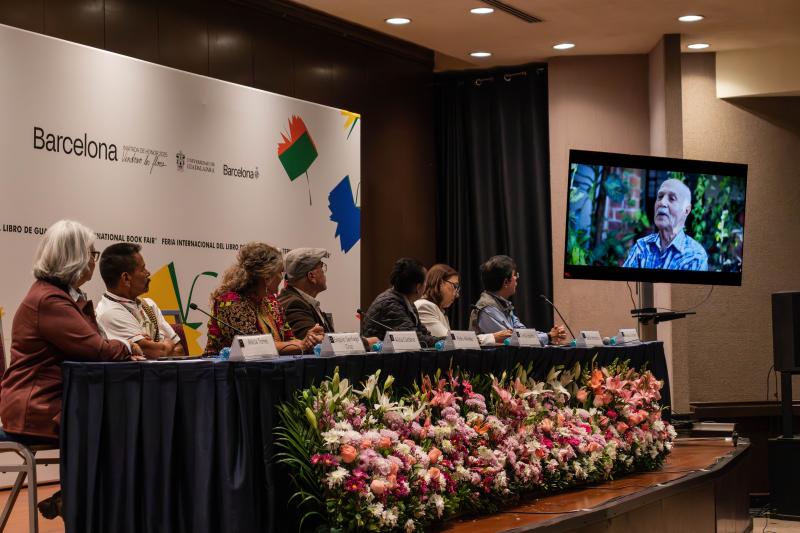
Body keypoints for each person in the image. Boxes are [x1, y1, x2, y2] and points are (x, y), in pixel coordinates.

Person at [0, 220, 141, 519]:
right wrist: (128, 347)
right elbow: (99, 350)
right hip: (36, 406)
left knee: (124, 425)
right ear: (75, 257)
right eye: (92, 253)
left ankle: (78, 500)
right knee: (121, 429)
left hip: (54, 401)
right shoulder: (49, 299)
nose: (94, 260)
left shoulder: (62, 296)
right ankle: (83, 504)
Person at [203, 242, 324, 355]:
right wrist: (301, 344)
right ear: (267, 276)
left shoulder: (271, 302)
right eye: (280, 272)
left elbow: (289, 339)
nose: (282, 278)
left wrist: (309, 339)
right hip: (226, 373)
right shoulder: (230, 302)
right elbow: (253, 346)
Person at [96, 243, 184, 358]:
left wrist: (160, 347)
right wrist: (166, 343)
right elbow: (157, 353)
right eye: (143, 269)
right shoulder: (109, 313)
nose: (148, 273)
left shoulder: (149, 304)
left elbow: (180, 350)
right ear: (126, 278)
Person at [469, 255, 567, 345]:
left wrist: (549, 335)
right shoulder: (487, 308)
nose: (516, 278)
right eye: (515, 275)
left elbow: (523, 332)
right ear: (506, 282)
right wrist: (549, 336)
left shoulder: (503, 304)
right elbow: (514, 339)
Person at [414, 263, 511, 346]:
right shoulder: (425, 306)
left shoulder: (438, 310)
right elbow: (450, 341)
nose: (457, 294)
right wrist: (492, 337)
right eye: (455, 286)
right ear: (440, 283)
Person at [623, 178, 708, 271]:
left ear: (686, 210)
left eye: (672, 198)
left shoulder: (695, 256)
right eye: (660, 196)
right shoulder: (642, 247)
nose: (662, 203)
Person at [361, 258, 438, 347]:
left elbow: (423, 334)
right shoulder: (390, 304)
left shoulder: (407, 302)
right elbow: (415, 339)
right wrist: (449, 340)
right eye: (426, 282)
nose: (426, 285)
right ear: (418, 287)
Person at [278, 247, 334, 339]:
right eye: (321, 267)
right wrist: (362, 342)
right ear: (311, 276)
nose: (324, 272)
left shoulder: (303, 301)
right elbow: (316, 341)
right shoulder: (294, 304)